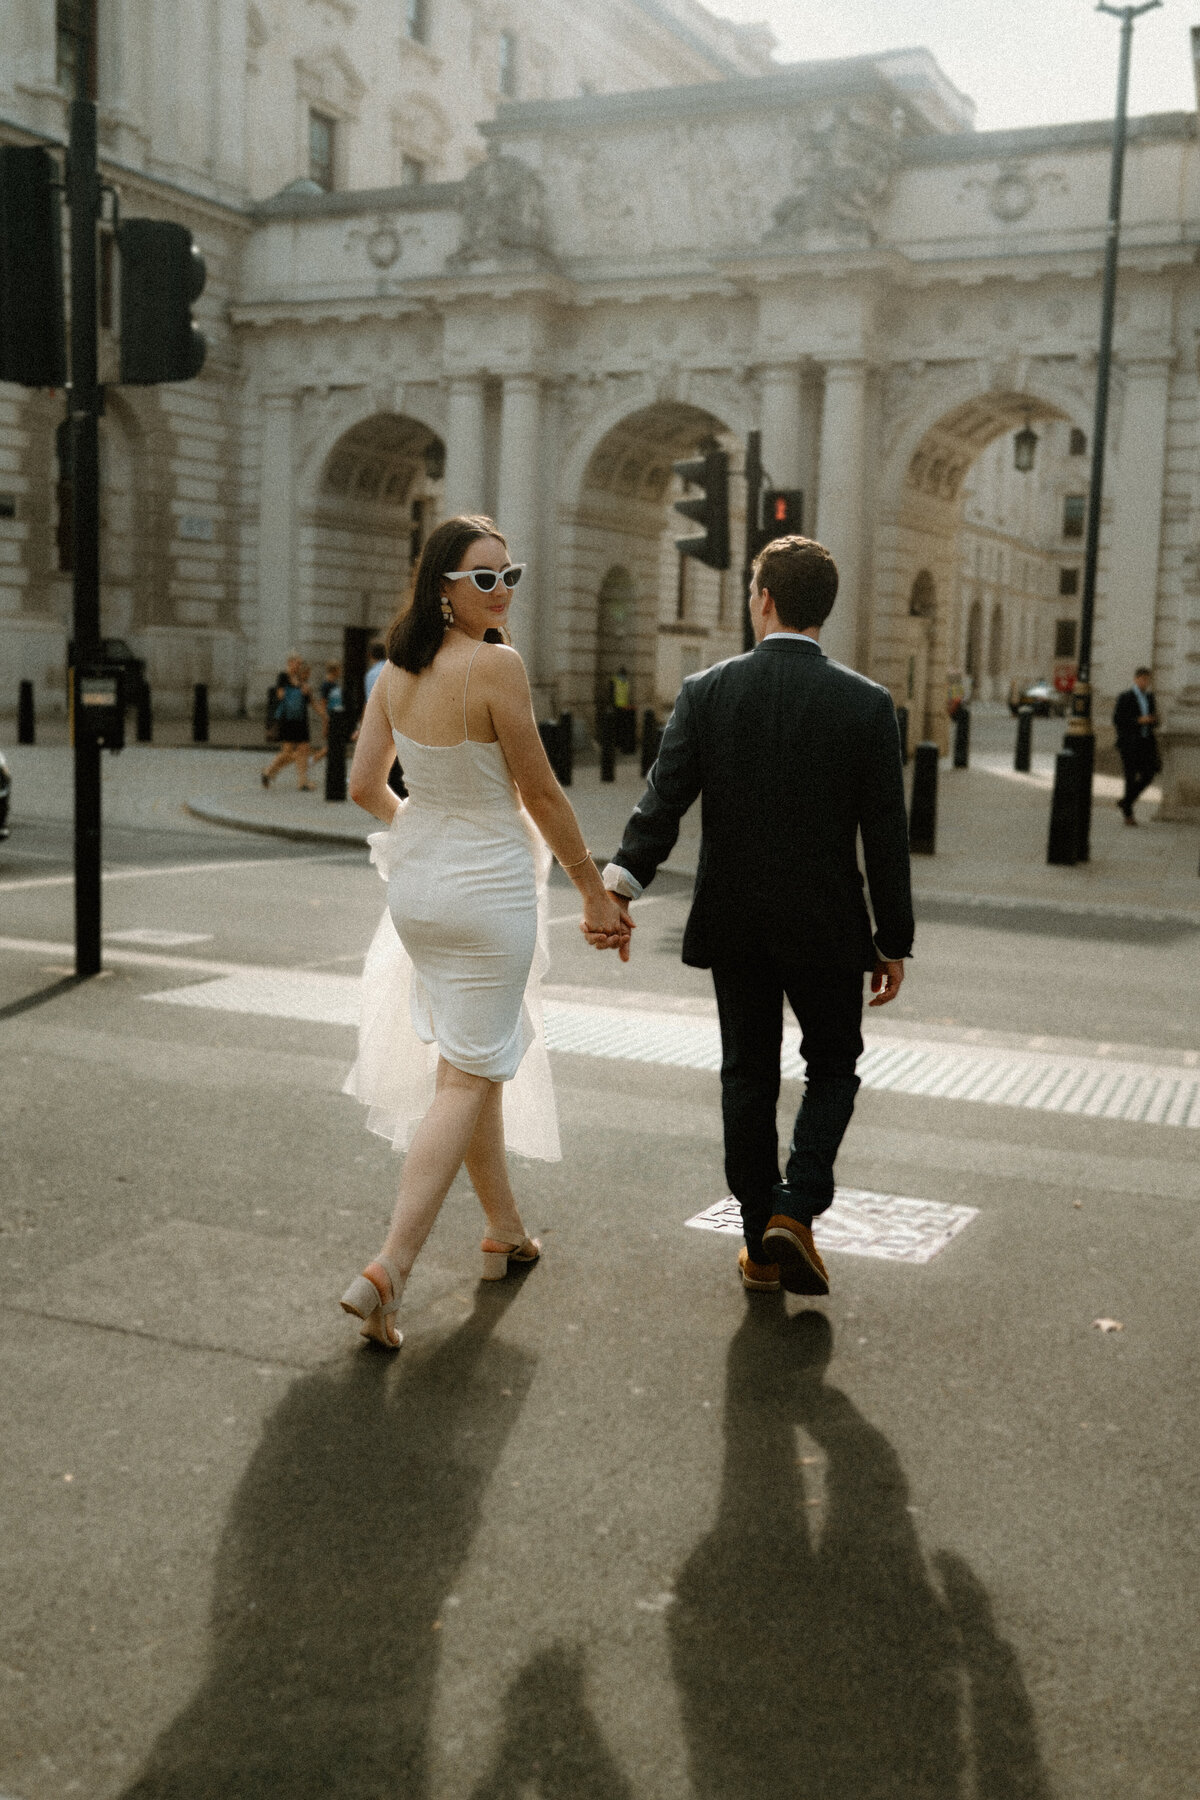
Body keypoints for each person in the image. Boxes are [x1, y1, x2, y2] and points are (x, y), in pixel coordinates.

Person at [593, 535, 913, 1297]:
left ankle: (759, 1244)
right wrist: (892, 940)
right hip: (830, 925)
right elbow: (886, 837)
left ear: (763, 598)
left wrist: (620, 888)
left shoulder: (707, 691)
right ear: (822, 609)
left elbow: (662, 803)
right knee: (833, 1066)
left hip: (735, 921)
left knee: (747, 1074)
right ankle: (797, 1207)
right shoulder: (867, 705)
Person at [339, 514, 628, 1348]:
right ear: (445, 589)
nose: (502, 591)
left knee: (475, 1061)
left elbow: (364, 786)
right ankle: (390, 1266)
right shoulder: (496, 666)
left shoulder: (395, 670)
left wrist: (424, 831)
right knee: (464, 1079)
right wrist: (592, 893)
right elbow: (540, 792)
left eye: (511, 574)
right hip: (492, 886)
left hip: (422, 887)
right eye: (485, 577)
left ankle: (504, 1228)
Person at [1112, 666, 1160, 826]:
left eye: (1148, 680)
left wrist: (1153, 720)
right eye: (1143, 679)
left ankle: (1126, 801)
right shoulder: (1125, 697)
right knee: (1130, 777)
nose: (1145, 682)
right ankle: (1128, 815)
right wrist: (1139, 721)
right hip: (1129, 743)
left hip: (1146, 742)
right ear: (1136, 679)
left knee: (1149, 774)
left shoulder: (1150, 697)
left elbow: (1155, 719)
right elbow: (1118, 720)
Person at [261, 656, 316, 790]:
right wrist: (296, 690)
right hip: (288, 719)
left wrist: (305, 690)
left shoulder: (300, 679)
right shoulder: (283, 677)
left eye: (300, 664)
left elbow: (309, 699)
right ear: (290, 663)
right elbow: (280, 696)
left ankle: (302, 782)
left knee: (303, 749)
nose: (298, 666)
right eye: (297, 663)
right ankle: (268, 771)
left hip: (300, 719)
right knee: (288, 752)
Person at [310, 661, 343, 767]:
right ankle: (314, 758)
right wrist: (325, 722)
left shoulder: (334, 684)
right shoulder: (326, 685)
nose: (340, 672)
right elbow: (323, 704)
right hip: (330, 717)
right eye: (339, 670)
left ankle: (315, 759)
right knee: (332, 744)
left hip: (336, 717)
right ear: (334, 671)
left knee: (334, 744)